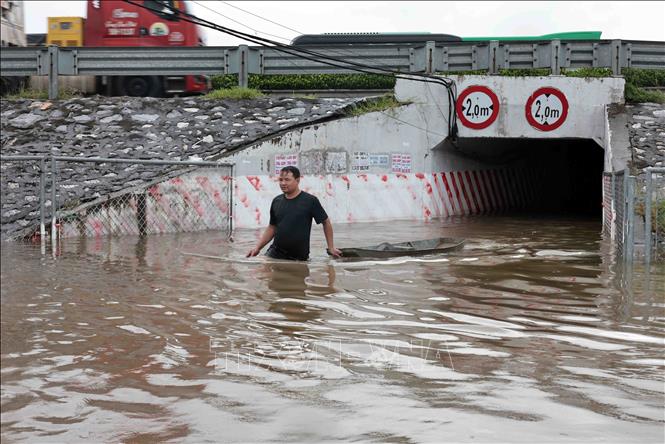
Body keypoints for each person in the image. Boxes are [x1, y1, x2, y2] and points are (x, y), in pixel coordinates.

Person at [246, 166, 342, 261]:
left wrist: (331, 247)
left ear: (297, 180)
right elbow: (272, 227)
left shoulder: (310, 201)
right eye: (281, 180)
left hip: (299, 257)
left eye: (287, 180)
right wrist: (257, 248)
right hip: (275, 253)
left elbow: (326, 222)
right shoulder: (277, 201)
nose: (283, 183)